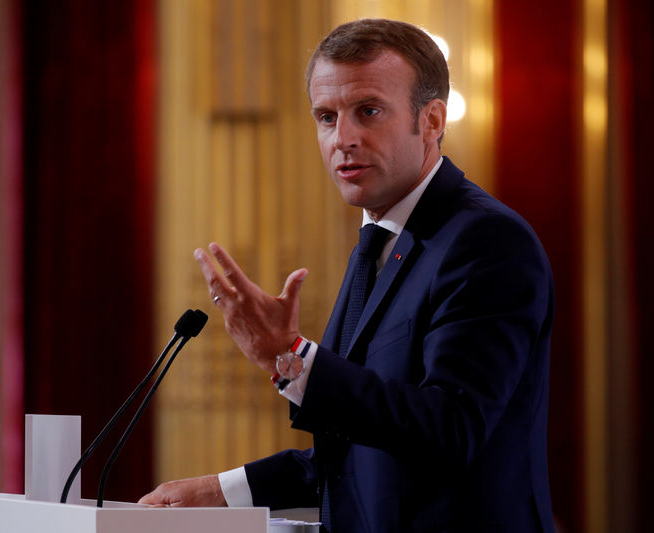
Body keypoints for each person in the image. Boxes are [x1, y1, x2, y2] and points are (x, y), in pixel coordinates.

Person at [139, 18, 555, 533]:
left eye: (369, 112)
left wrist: (292, 357)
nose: (344, 138)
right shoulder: (379, 243)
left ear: (431, 120)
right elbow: (357, 455)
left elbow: (450, 429)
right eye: (326, 117)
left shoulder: (486, 242)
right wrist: (220, 492)